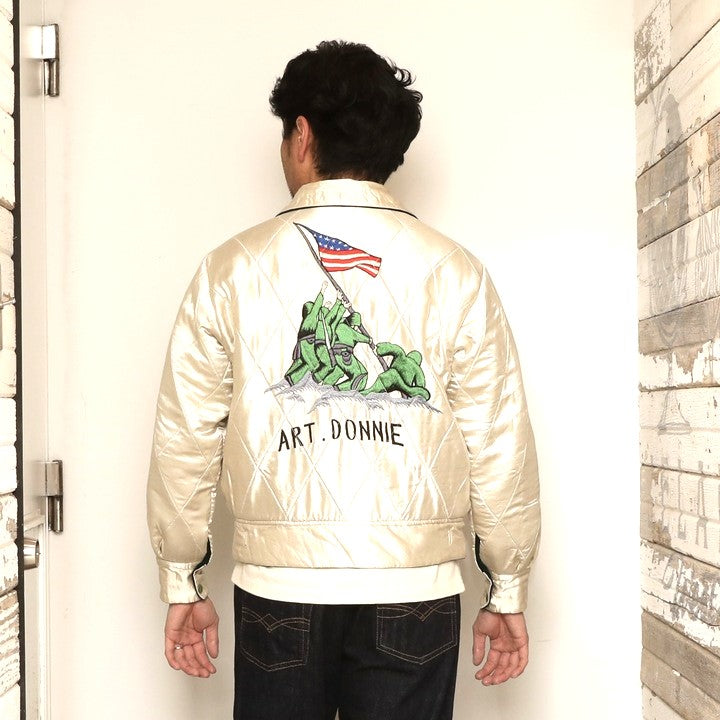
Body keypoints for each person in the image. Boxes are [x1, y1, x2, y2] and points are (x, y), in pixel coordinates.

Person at [147, 40, 540, 720]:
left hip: (279, 587)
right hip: (415, 587)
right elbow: (499, 442)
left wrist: (182, 577)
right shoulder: (457, 273)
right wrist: (507, 587)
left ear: (301, 135)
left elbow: (186, 437)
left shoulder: (228, 270)